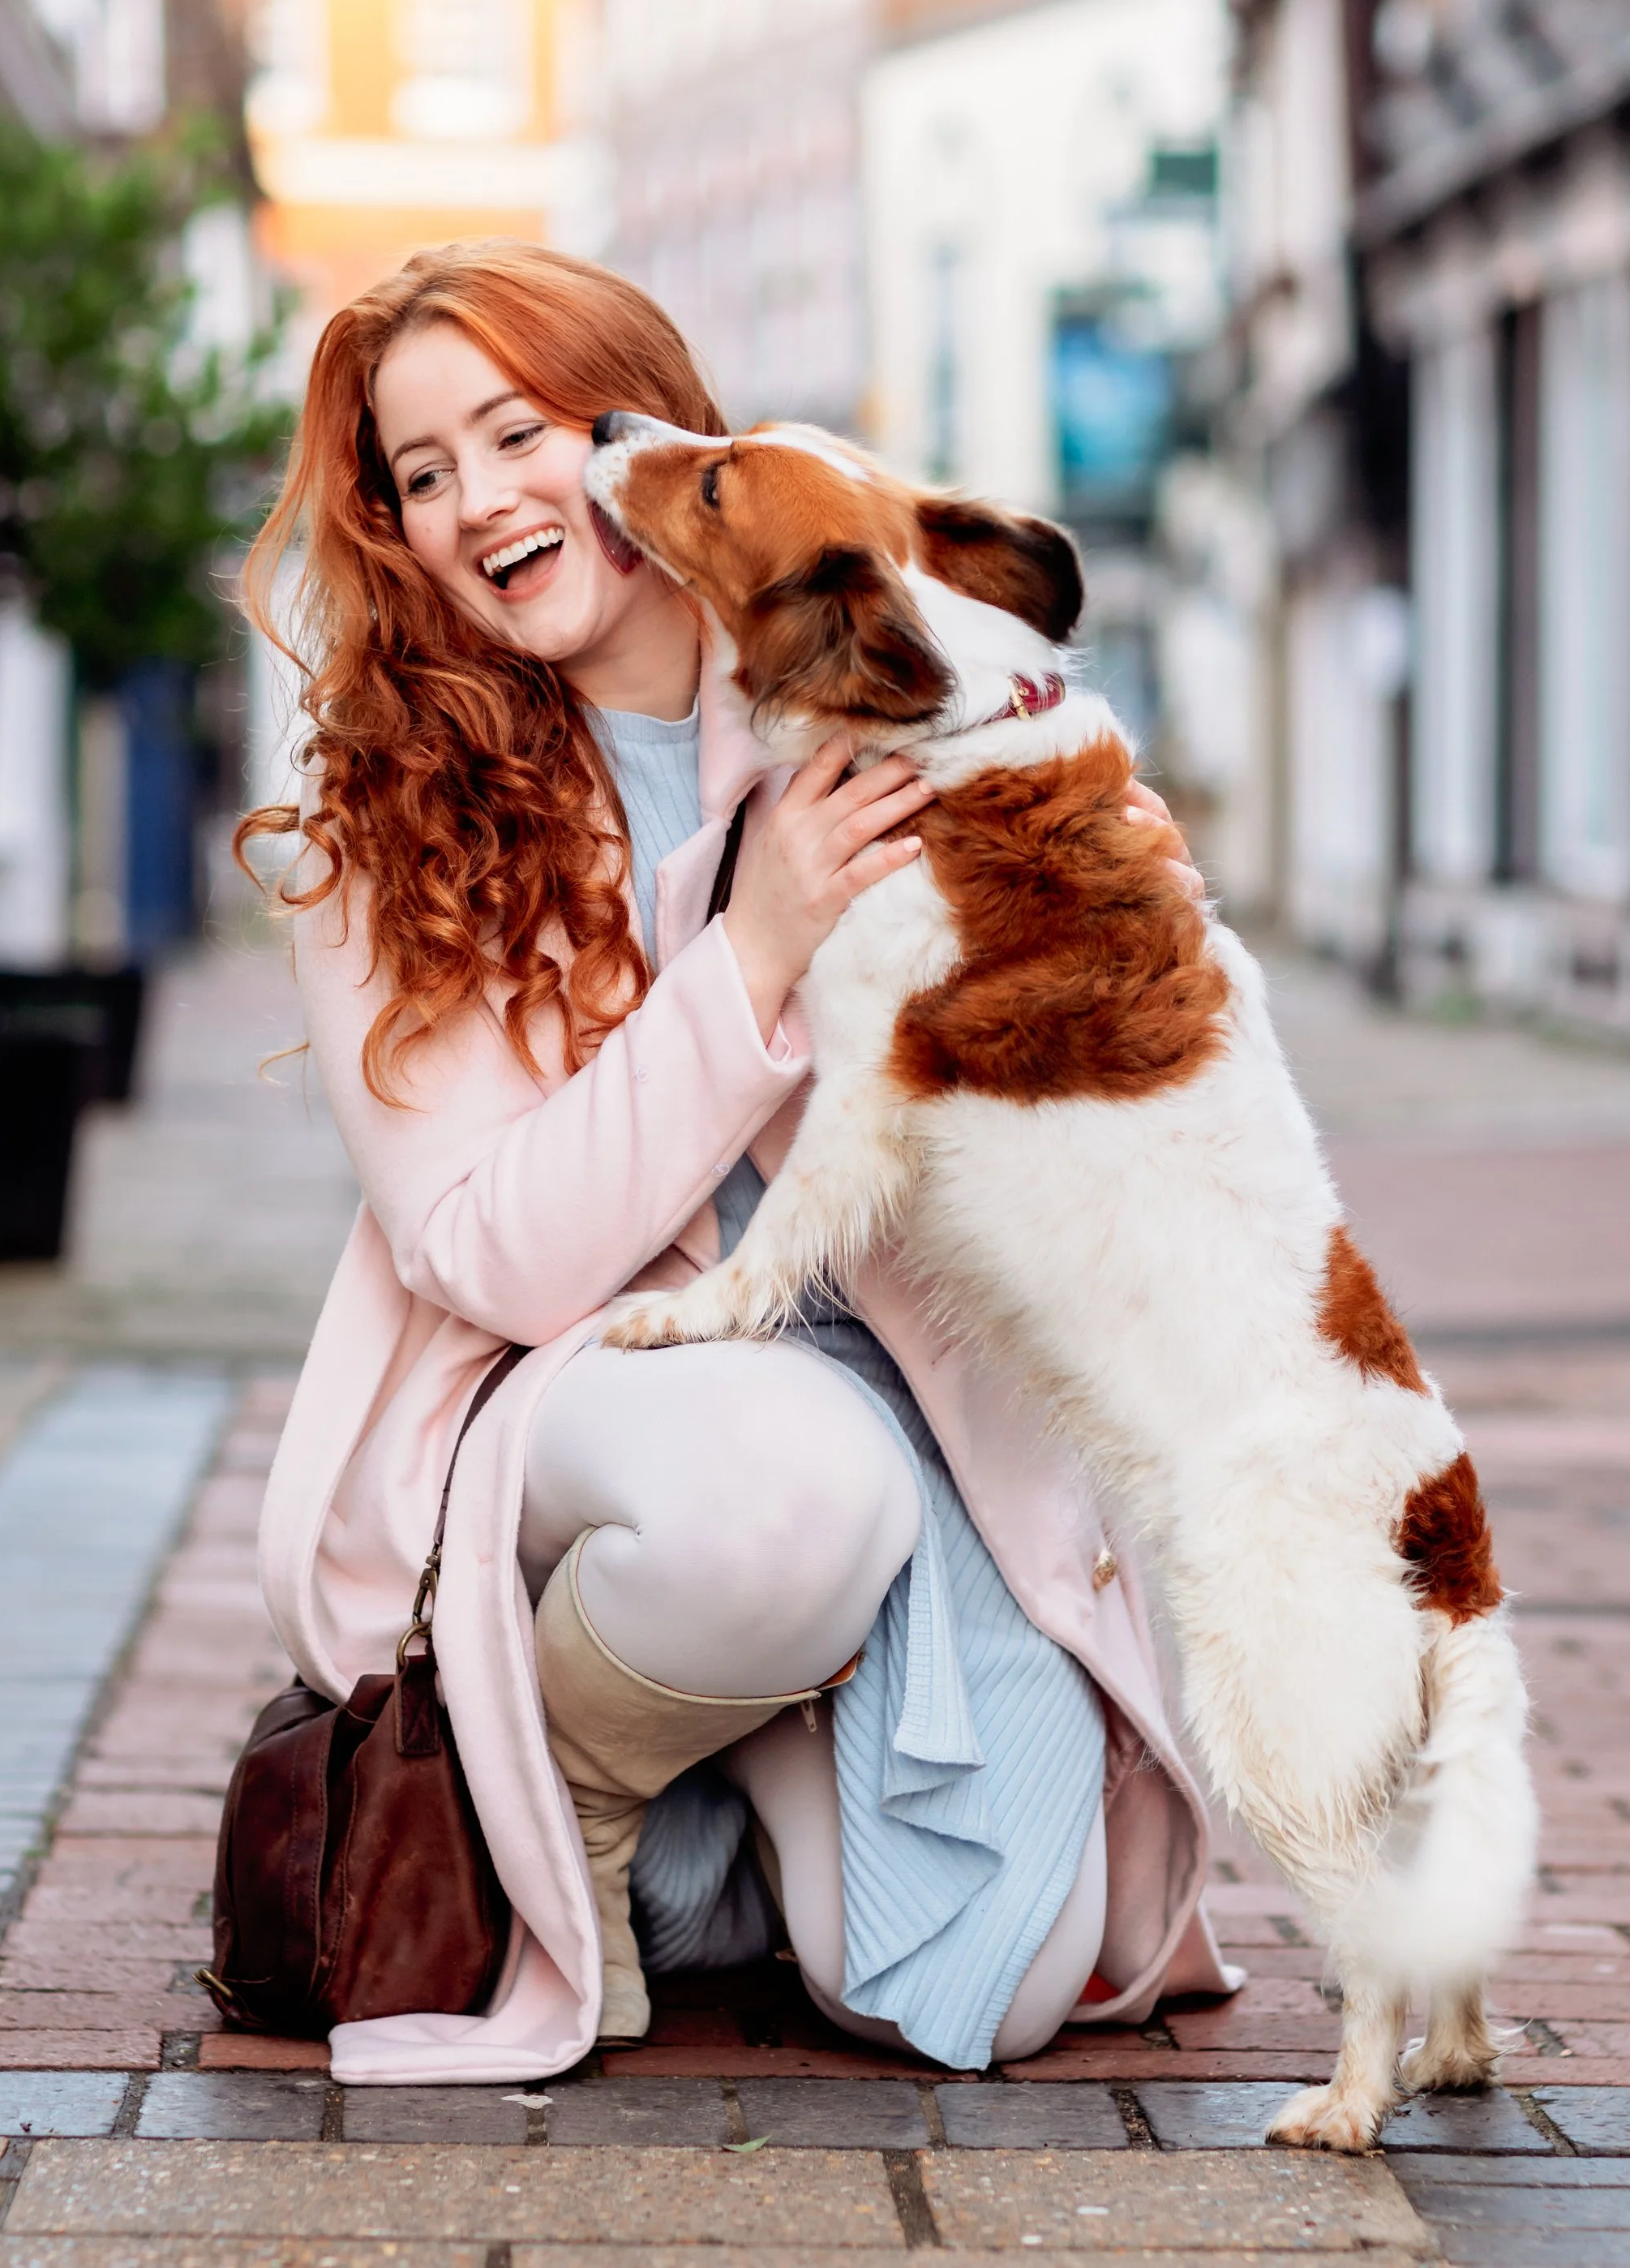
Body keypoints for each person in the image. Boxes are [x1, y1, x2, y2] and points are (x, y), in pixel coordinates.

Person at [242, 239, 1234, 2086]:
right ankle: (586, 1791)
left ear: (639, 424)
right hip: (566, 1395)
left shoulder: (851, 677)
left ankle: (760, 1743)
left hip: (904, 1404)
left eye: (513, 433)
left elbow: (1101, 1015)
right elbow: (489, 1253)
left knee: (971, 1993)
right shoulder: (371, 822)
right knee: (787, 1485)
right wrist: (755, 946)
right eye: (421, 474)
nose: (475, 504)